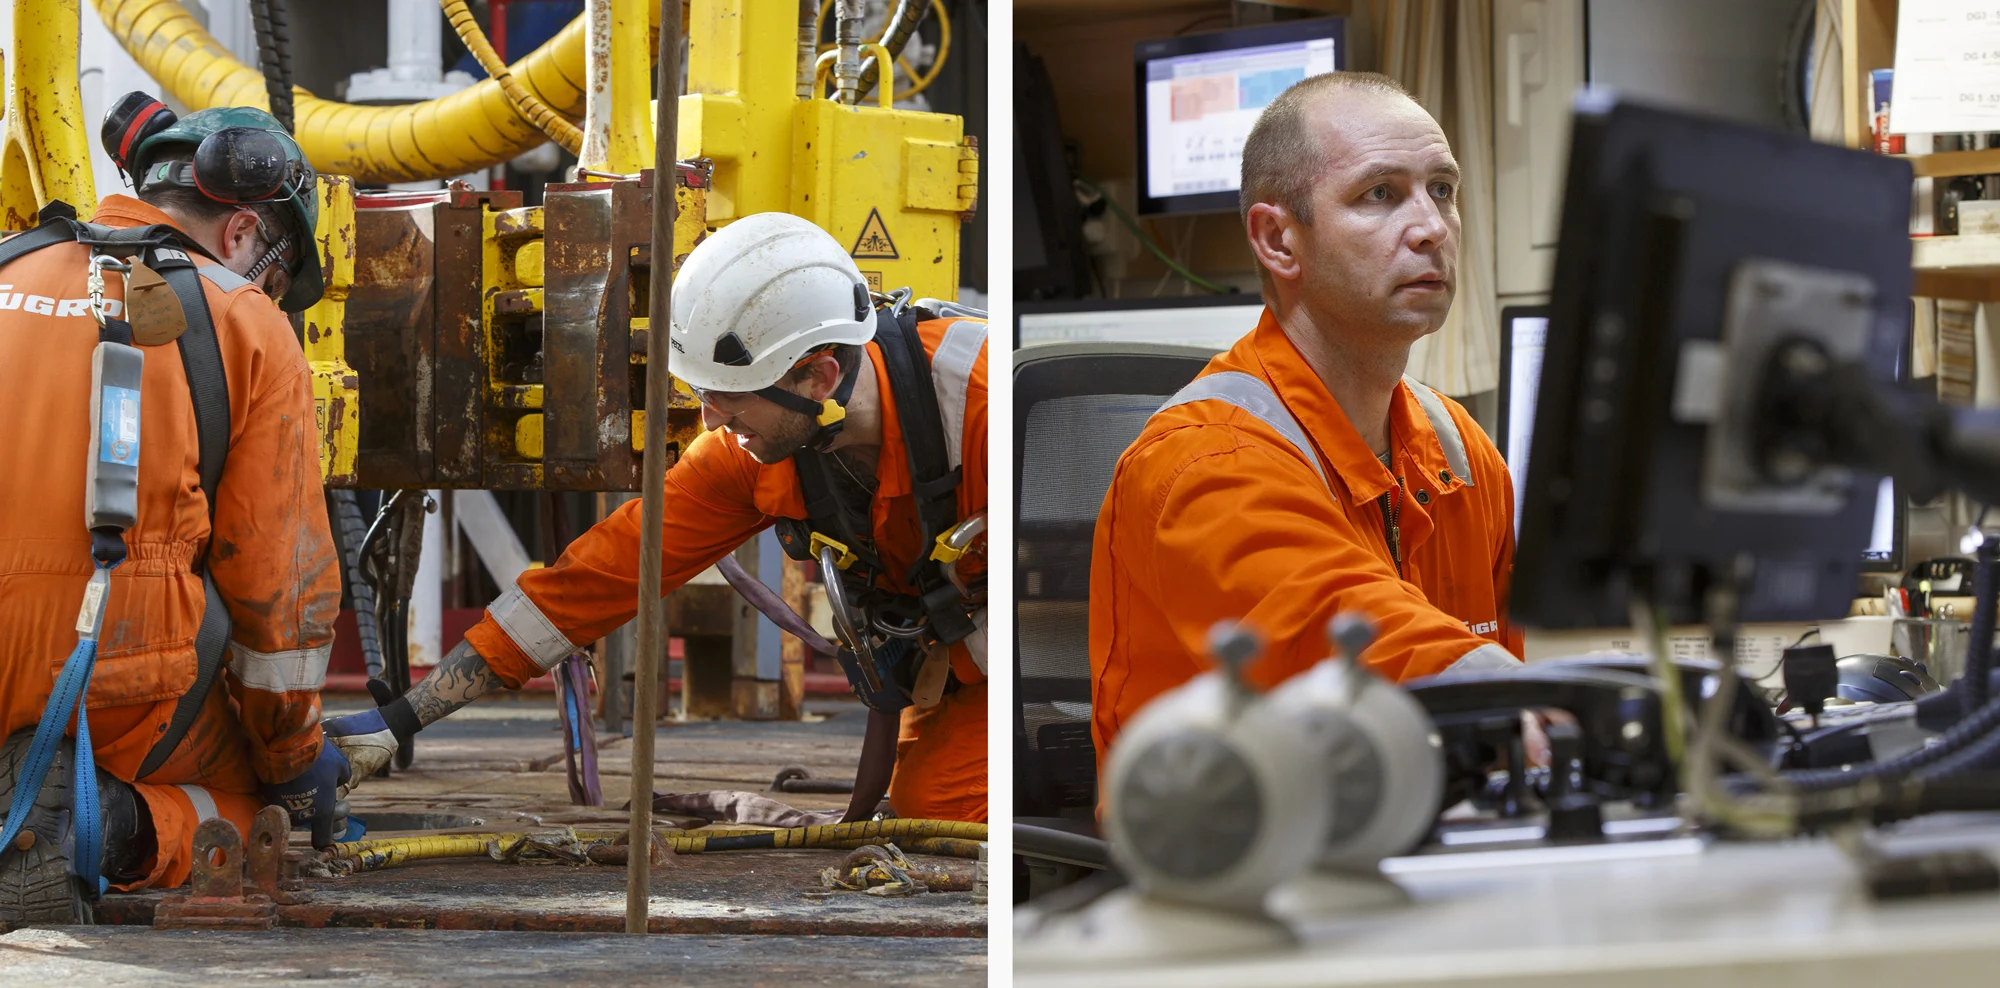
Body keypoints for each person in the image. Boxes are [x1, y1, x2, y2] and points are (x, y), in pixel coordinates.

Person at [326, 213, 990, 823]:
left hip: (1036, 671)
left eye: (727, 399)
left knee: (958, 820)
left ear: (817, 376)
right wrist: (397, 723)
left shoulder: (986, 411)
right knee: (932, 813)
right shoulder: (754, 451)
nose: (711, 422)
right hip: (957, 673)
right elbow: (595, 580)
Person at [1089, 72, 1524, 766]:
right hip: (1237, 854)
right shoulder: (1205, 463)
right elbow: (1349, 638)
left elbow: (1507, 680)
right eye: (1379, 194)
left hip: (1409, 822)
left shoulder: (1459, 451)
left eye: (1441, 189)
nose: (1432, 228)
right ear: (1278, 241)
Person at [0, 95, 344, 922]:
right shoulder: (244, 320)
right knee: (241, 808)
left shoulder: (8, 267)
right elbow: (276, 590)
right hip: (99, 672)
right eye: (274, 268)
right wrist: (295, 760)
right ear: (241, 235)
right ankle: (94, 824)